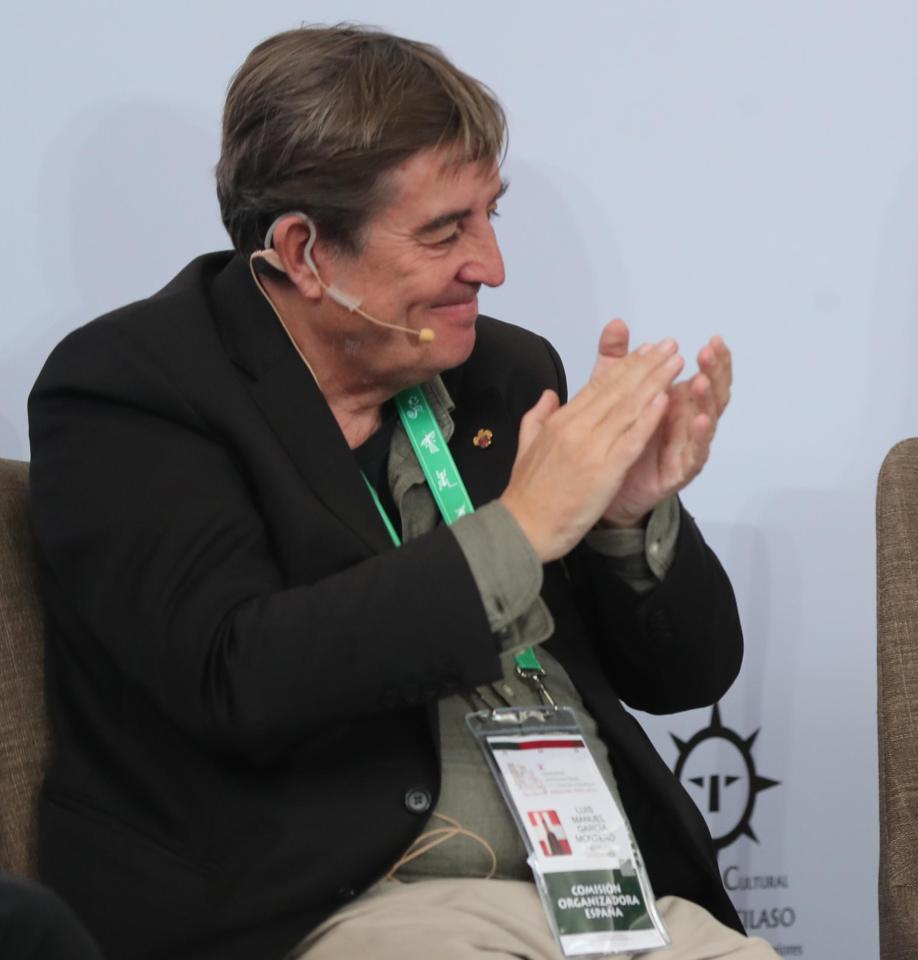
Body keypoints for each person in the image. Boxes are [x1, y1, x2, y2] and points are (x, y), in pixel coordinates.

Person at [28, 25, 776, 960]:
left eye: (491, 214)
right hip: (320, 908)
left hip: (598, 903)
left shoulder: (506, 371)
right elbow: (233, 674)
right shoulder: (133, 388)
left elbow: (689, 677)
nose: (492, 266)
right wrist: (520, 530)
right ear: (304, 252)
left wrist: (627, 518)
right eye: (443, 231)